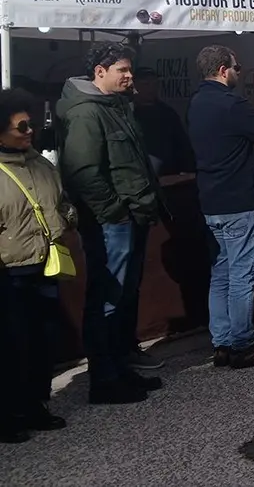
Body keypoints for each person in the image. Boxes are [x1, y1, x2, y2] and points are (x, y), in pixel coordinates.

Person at [57, 42, 164, 404]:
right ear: (99, 72)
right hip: (110, 222)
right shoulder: (87, 113)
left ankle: (120, 368)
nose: (129, 75)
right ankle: (104, 379)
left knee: (123, 296)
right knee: (107, 299)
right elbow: (82, 171)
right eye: (122, 69)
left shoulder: (116, 107)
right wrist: (114, 210)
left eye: (129, 69)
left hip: (129, 217)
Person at [188, 45, 254, 369]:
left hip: (210, 202)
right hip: (239, 201)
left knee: (221, 274)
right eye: (237, 67)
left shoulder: (197, 102)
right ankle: (242, 343)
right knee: (243, 275)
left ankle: (222, 342)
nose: (239, 72)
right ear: (222, 70)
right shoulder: (231, 103)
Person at [0, 89, 73, 442]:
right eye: (21, 125)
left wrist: (67, 217)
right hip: (9, 272)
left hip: (44, 263)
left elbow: (59, 200)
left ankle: (34, 405)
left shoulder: (39, 162)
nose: (30, 131)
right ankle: (8, 413)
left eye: (31, 123)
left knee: (42, 339)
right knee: (11, 345)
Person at [131, 67, 195, 176]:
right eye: (146, 84)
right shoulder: (127, 113)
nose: (151, 89)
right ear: (135, 86)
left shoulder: (168, 113)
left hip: (167, 177)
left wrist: (188, 169)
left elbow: (182, 144)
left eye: (154, 84)